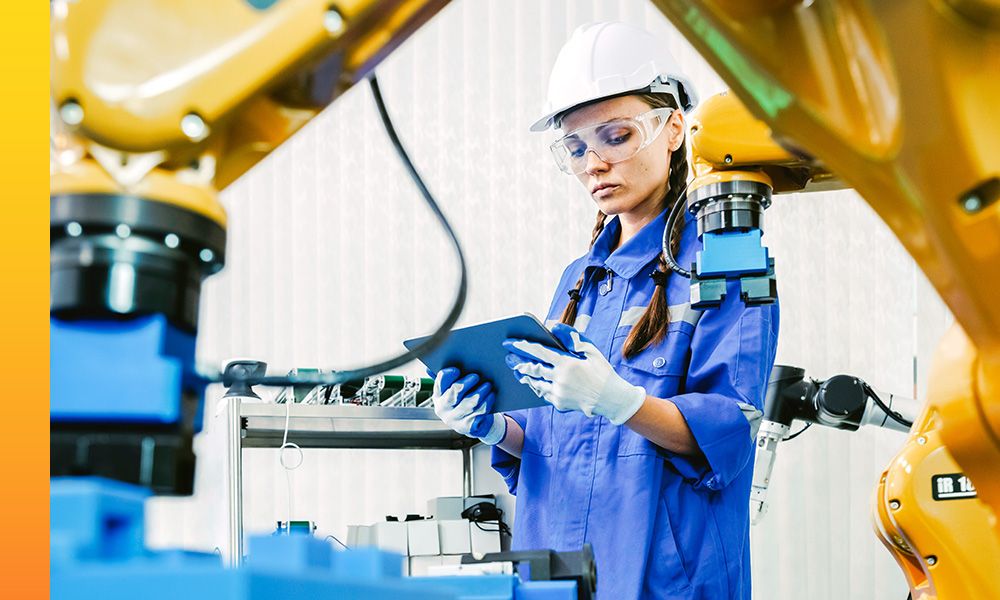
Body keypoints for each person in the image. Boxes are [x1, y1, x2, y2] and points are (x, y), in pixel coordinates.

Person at [431, 21, 779, 600]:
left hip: (665, 580)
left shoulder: (723, 261)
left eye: (615, 136)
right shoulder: (577, 280)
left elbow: (729, 430)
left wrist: (622, 402)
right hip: (559, 570)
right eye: (575, 147)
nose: (593, 163)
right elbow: (556, 440)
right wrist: (492, 425)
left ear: (672, 129)